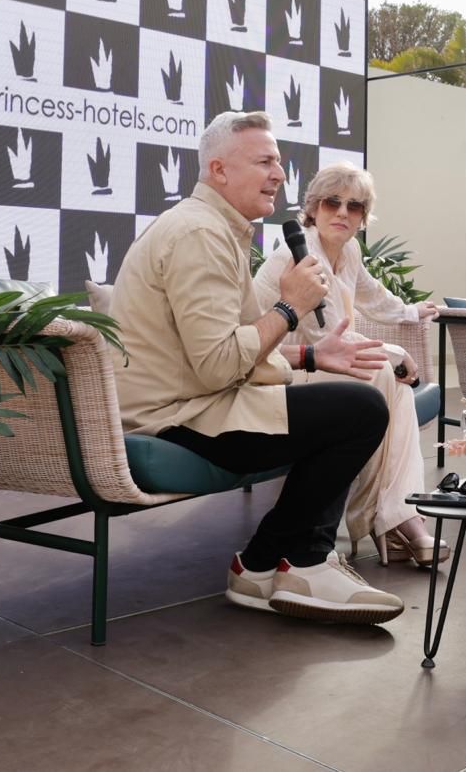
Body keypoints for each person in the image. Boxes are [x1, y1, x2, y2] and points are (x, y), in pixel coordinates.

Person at [110, 111, 405, 624]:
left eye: (280, 162)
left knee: (348, 397)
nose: (279, 174)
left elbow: (223, 347)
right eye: (265, 161)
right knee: (358, 409)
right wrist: (289, 308)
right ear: (219, 170)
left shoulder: (213, 228)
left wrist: (313, 355)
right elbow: (219, 365)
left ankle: (266, 564)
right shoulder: (199, 234)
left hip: (196, 401)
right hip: (180, 419)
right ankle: (301, 560)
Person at [253, 162, 446, 569]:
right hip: (278, 370)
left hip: (322, 366)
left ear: (362, 217)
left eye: (354, 206)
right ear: (313, 208)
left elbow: (371, 294)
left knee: (386, 381)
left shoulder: (349, 250)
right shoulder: (298, 256)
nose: (342, 212)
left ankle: (397, 517)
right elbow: (321, 339)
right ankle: (396, 519)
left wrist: (410, 312)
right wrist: (396, 353)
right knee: (382, 374)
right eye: (332, 202)